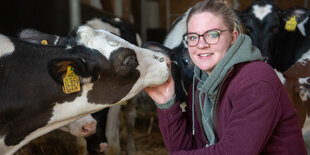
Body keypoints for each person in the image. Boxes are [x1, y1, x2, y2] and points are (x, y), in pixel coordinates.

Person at [144, 0, 307, 154]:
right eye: (193, 37)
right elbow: (187, 148)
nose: (201, 45)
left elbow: (235, 152)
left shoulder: (257, 79)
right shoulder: (200, 84)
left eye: (212, 34)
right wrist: (167, 104)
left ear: (233, 38)